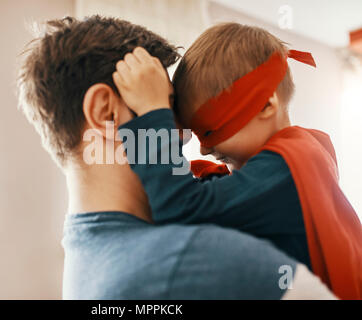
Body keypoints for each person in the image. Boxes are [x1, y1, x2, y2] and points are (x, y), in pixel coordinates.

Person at [17, 16, 335, 299]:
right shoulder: (200, 259)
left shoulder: (83, 254)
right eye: (163, 106)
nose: (181, 134)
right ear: (106, 112)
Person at [112, 23, 361, 299]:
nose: (204, 149)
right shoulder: (297, 158)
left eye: (211, 130)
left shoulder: (289, 165)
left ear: (266, 105)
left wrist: (151, 114)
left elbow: (182, 210)